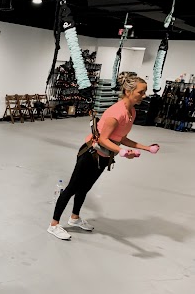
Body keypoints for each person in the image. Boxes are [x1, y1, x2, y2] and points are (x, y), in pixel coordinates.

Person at [47, 72, 160, 240]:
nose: (144, 95)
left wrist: (146, 148)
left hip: (104, 156)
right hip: (90, 154)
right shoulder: (116, 113)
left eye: (145, 92)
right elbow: (102, 139)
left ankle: (74, 218)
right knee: (72, 188)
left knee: (85, 188)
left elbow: (121, 138)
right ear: (128, 91)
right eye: (141, 92)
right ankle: (54, 225)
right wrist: (122, 152)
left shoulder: (131, 112)